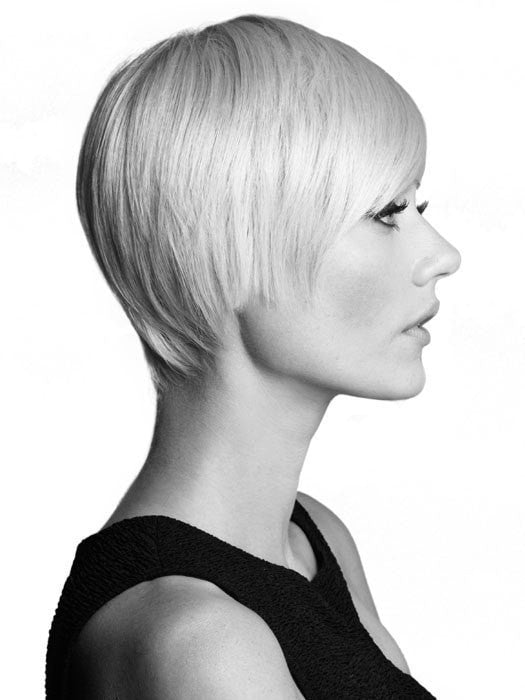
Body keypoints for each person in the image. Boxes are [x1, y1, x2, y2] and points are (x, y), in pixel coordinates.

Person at [45, 13, 461, 699]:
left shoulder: (311, 538)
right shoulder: (202, 643)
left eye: (421, 206)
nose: (442, 255)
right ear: (226, 252)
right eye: (386, 212)